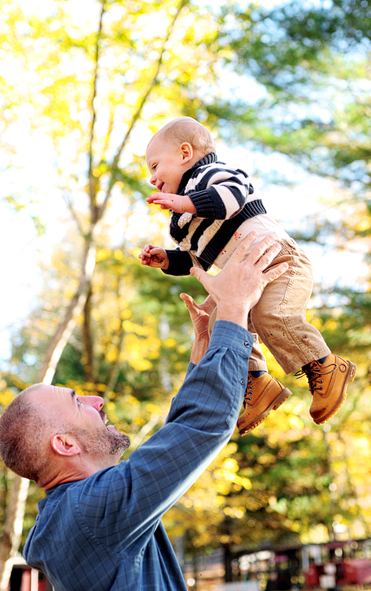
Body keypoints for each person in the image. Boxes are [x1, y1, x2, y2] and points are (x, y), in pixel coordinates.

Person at [0, 233, 286, 591]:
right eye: (76, 401)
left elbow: (171, 449)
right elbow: (201, 426)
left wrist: (202, 351)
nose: (96, 401)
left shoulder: (75, 516)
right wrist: (235, 307)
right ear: (65, 444)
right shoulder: (90, 513)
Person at [138, 117, 355, 432]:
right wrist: (167, 259)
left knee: (272, 316)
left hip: (278, 260)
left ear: (185, 153)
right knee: (220, 326)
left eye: (156, 166)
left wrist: (185, 201)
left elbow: (232, 198)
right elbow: (197, 259)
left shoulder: (212, 175)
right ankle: (258, 384)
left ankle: (324, 364)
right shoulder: (184, 220)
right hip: (244, 282)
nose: (152, 178)